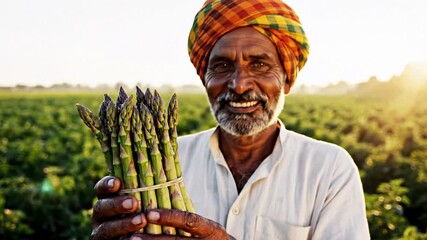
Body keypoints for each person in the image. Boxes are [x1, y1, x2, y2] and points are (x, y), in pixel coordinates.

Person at [90, 0, 370, 239]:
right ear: (205, 79)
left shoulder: (329, 169)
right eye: (222, 66)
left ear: (287, 79)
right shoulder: (160, 158)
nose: (238, 85)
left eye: (259, 64)